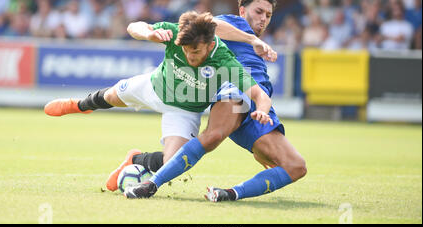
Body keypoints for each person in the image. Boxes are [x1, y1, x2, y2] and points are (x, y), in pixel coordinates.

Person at [44, 10, 277, 188]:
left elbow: (259, 95)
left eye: (195, 52)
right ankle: (78, 105)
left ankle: (135, 159)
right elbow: (134, 26)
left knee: (173, 162)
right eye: (185, 51)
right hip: (154, 87)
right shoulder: (176, 33)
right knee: (110, 95)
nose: (189, 56)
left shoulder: (225, 61)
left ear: (209, 44)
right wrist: (149, 33)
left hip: (184, 111)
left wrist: (263, 111)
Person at [124, 0, 307, 202]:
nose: (263, 19)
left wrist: (263, 112)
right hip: (237, 92)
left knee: (297, 167)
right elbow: (209, 23)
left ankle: (227, 194)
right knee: (213, 136)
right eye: (259, 12)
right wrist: (252, 39)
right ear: (242, 10)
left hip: (260, 107)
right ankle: (150, 185)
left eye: (268, 15)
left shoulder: (255, 44)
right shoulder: (235, 24)